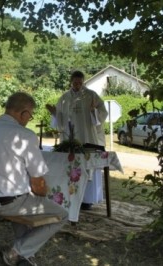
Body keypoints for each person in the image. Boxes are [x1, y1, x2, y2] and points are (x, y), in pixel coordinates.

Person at [0, 92, 68, 266]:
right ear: (23, 113)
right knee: (62, 214)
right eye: (30, 115)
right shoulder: (25, 135)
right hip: (8, 203)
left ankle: (23, 253)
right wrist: (43, 194)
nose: (29, 119)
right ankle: (16, 251)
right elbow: (38, 184)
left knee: (23, 197)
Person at [46, 70, 108, 210]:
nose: (77, 85)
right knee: (72, 167)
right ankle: (71, 197)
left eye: (80, 83)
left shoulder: (91, 95)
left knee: (86, 166)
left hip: (87, 135)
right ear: (71, 82)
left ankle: (87, 200)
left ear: (83, 82)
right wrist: (54, 113)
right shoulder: (64, 98)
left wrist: (94, 111)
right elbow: (60, 120)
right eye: (75, 82)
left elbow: (102, 114)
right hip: (70, 137)